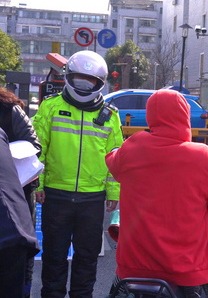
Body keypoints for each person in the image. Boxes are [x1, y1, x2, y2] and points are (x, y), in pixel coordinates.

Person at [105, 89, 208, 297]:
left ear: (150, 116)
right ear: (185, 116)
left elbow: (112, 160)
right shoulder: (202, 156)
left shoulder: (132, 148)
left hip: (135, 270)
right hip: (191, 270)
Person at [32, 50, 124, 297]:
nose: (83, 85)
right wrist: (37, 185)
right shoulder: (50, 108)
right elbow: (38, 150)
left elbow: (116, 158)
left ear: (100, 83)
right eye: (78, 79)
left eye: (90, 81)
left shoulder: (111, 116)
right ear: (68, 77)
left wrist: (114, 192)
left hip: (92, 198)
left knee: (87, 257)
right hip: (55, 195)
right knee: (54, 256)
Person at [0, 86, 41, 297]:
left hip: (19, 189)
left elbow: (34, 145)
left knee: (21, 247)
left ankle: (24, 291)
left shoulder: (9, 109)